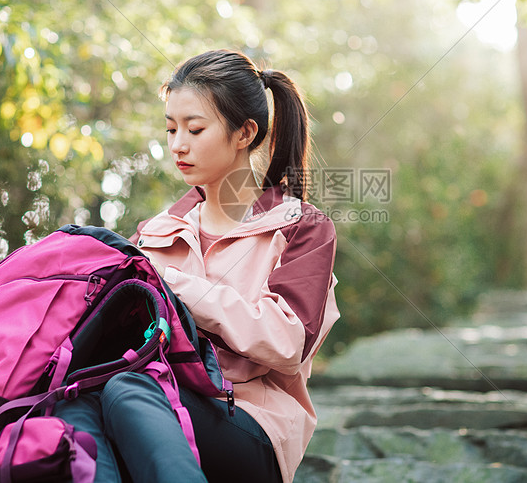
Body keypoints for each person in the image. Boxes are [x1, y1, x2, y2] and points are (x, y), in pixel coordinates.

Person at [55, 49, 340, 483]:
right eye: (171, 129)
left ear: (244, 132)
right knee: (75, 403)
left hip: (251, 423)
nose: (177, 145)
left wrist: (174, 285)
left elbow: (286, 343)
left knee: (128, 390)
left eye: (195, 128)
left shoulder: (302, 228)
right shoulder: (154, 234)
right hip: (156, 402)